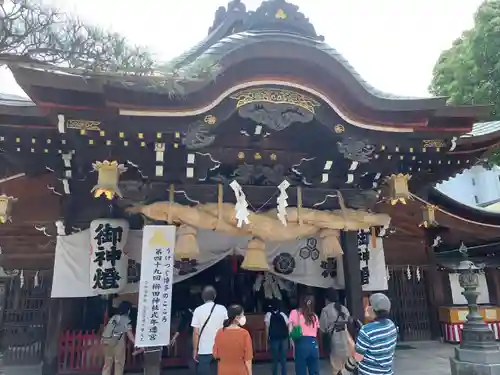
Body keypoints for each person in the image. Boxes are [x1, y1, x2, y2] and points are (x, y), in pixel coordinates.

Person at [355, 293, 397, 375]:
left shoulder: (366, 330)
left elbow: (358, 357)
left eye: (368, 305)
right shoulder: (391, 324)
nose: (366, 308)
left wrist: (348, 336)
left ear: (373, 309)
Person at [191, 286, 228, 375]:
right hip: (220, 349)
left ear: (202, 297)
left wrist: (195, 349)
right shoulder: (222, 309)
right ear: (215, 296)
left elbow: (196, 333)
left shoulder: (198, 310)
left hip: (204, 350)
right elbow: (226, 329)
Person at [213, 304, 253, 375]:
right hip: (240, 371)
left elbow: (215, 354)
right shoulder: (244, 334)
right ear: (237, 317)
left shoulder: (220, 332)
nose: (244, 317)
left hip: (223, 371)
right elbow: (248, 359)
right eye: (242, 315)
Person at [319, 288, 352, 375]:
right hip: (346, 343)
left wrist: (322, 344)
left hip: (335, 345)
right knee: (347, 370)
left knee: (336, 370)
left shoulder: (325, 310)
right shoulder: (345, 309)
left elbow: (322, 330)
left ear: (327, 299)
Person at [101, 301, 135, 375]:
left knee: (107, 363)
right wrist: (135, 342)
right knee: (119, 363)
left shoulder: (114, 317)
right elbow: (129, 333)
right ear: (128, 310)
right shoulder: (126, 319)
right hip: (118, 342)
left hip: (106, 341)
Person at [289, 295, 320, 375]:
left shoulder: (294, 313)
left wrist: (293, 346)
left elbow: (290, 331)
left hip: (301, 344)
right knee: (314, 372)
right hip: (314, 345)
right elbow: (316, 332)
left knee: (300, 371)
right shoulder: (315, 316)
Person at [264, 300, 289, 375]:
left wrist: (266, 340)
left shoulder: (268, 314)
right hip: (284, 338)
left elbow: (267, 328)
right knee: (283, 360)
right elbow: (288, 325)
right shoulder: (282, 314)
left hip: (274, 339)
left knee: (274, 359)